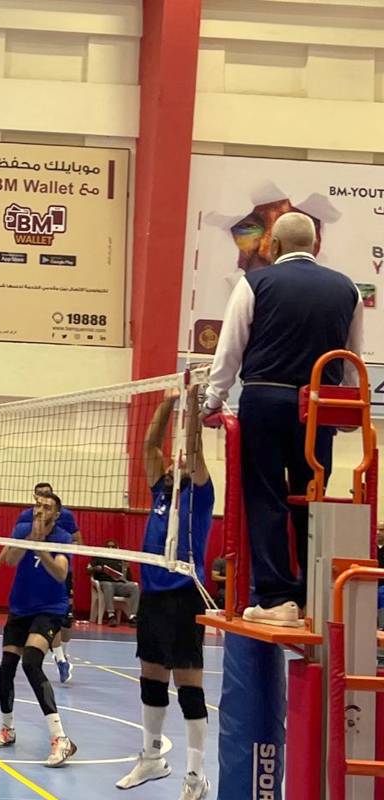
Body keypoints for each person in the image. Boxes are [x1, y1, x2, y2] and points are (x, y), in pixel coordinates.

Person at [203, 212, 363, 627]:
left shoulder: (254, 282)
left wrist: (212, 401)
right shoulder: (347, 288)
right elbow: (352, 359)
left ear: (272, 246)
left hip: (266, 400)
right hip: (320, 406)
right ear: (315, 246)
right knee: (314, 497)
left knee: (265, 496)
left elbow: (230, 349)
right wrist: (348, 411)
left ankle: (277, 599)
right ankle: (316, 597)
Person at [118, 387, 214, 799]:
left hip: (184, 595)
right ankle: (152, 757)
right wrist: (169, 400)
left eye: (180, 460)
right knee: (151, 678)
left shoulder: (200, 493)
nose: (174, 461)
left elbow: (194, 449)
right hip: (153, 596)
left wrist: (192, 407)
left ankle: (195, 776)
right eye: (172, 461)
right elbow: (148, 444)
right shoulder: (161, 490)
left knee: (189, 686)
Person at [0, 492, 78, 767]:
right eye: (38, 505)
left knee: (31, 662)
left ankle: (60, 739)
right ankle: (7, 729)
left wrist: (41, 550)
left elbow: (61, 573)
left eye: (46, 507)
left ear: (56, 514)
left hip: (49, 609)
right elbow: (12, 560)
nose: (40, 510)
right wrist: (31, 539)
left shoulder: (63, 538)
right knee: (6, 667)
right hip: (20, 607)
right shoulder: (22, 529)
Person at [16, 483, 80, 682]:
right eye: (39, 498)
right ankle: (60, 659)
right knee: (44, 615)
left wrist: (64, 553)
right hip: (35, 573)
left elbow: (77, 540)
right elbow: (14, 543)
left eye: (46, 497)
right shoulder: (26, 516)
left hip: (59, 570)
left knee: (64, 619)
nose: (41, 503)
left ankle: (62, 656)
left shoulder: (65, 516)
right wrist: (0, 560)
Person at [88, 540, 140, 626]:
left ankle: (133, 616)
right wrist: (95, 568)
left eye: (113, 547)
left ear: (117, 548)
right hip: (104, 583)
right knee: (108, 585)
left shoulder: (120, 558)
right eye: (108, 546)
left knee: (134, 587)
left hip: (119, 584)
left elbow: (129, 578)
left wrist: (128, 568)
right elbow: (88, 570)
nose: (110, 548)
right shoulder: (99, 556)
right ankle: (111, 616)